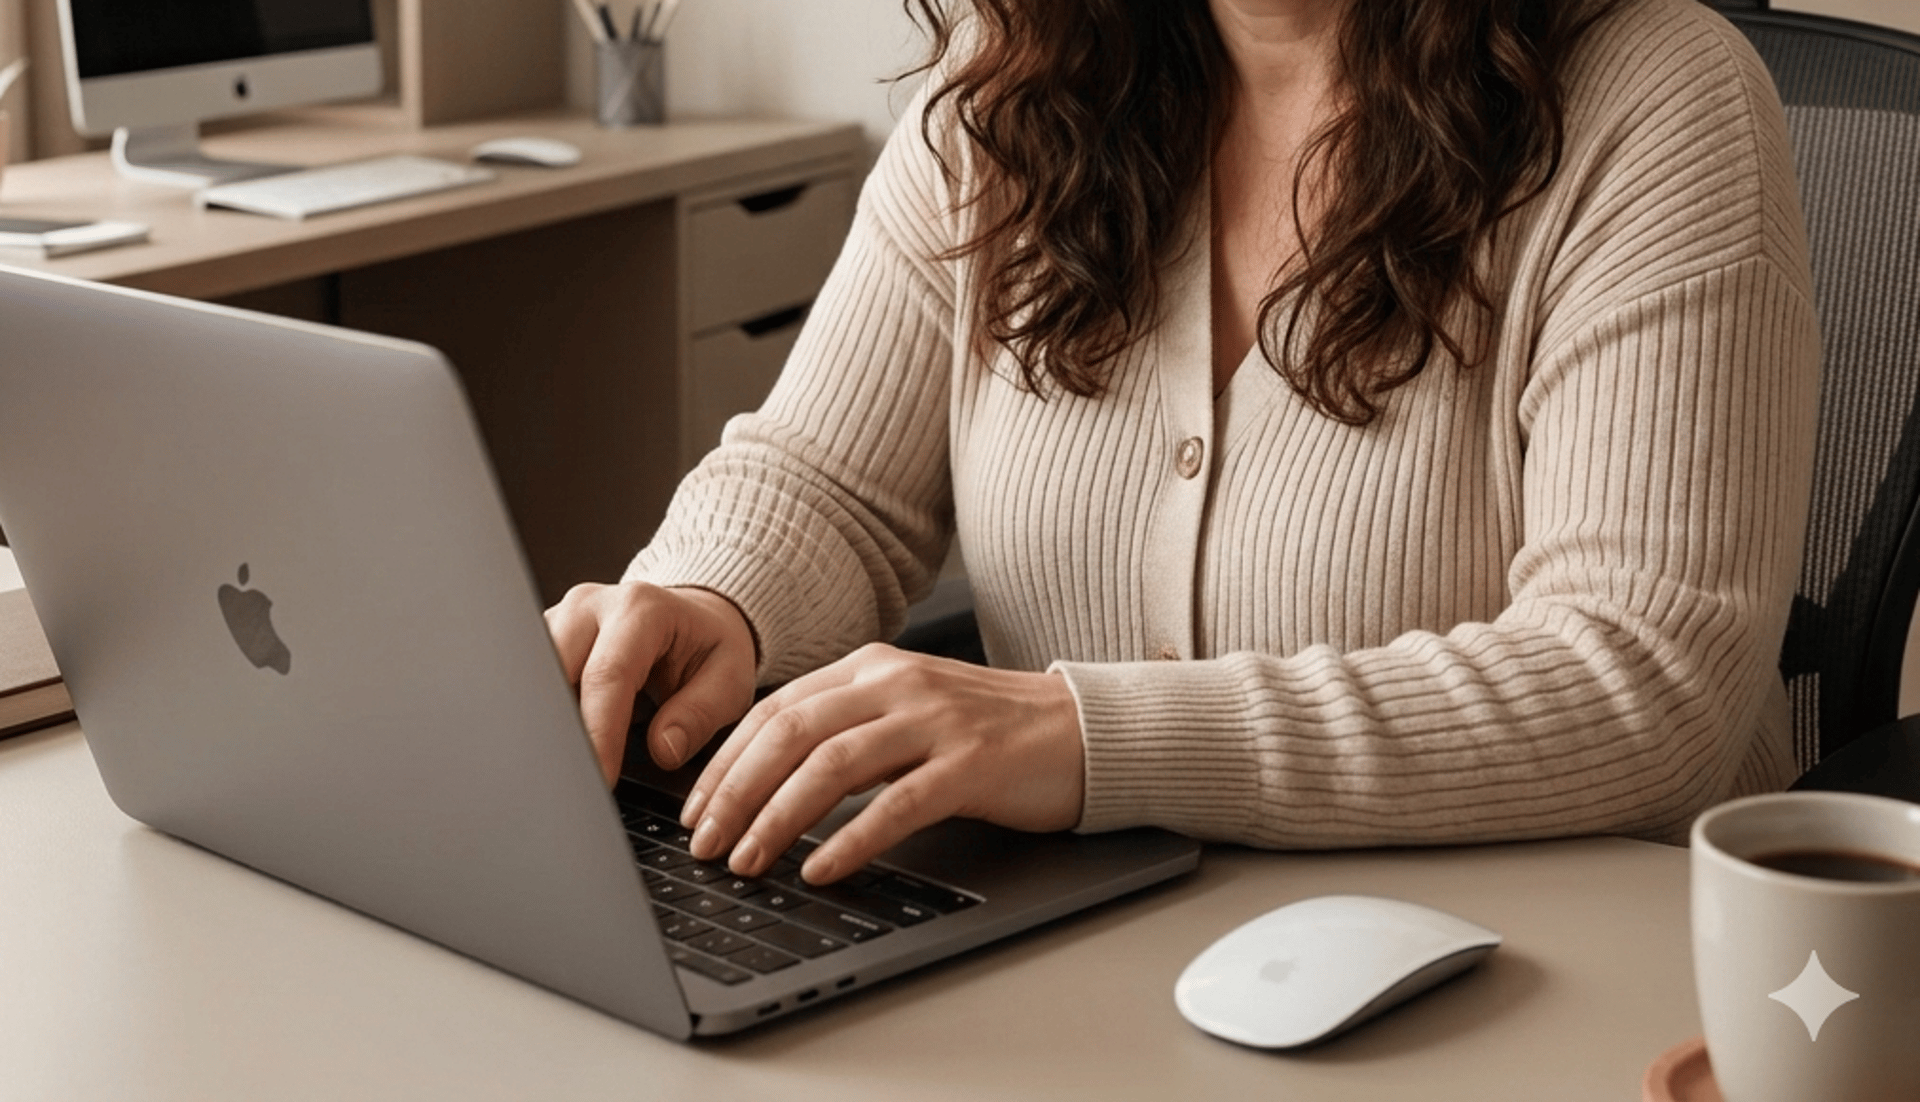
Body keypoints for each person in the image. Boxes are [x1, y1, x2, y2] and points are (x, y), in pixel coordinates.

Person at [545, 0, 1819, 886]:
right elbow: (825, 481)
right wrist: (709, 596)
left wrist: (1094, 739)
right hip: (1097, 951)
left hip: (1532, 971)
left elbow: (1645, 677)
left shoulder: (1657, 98)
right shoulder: (1010, 86)